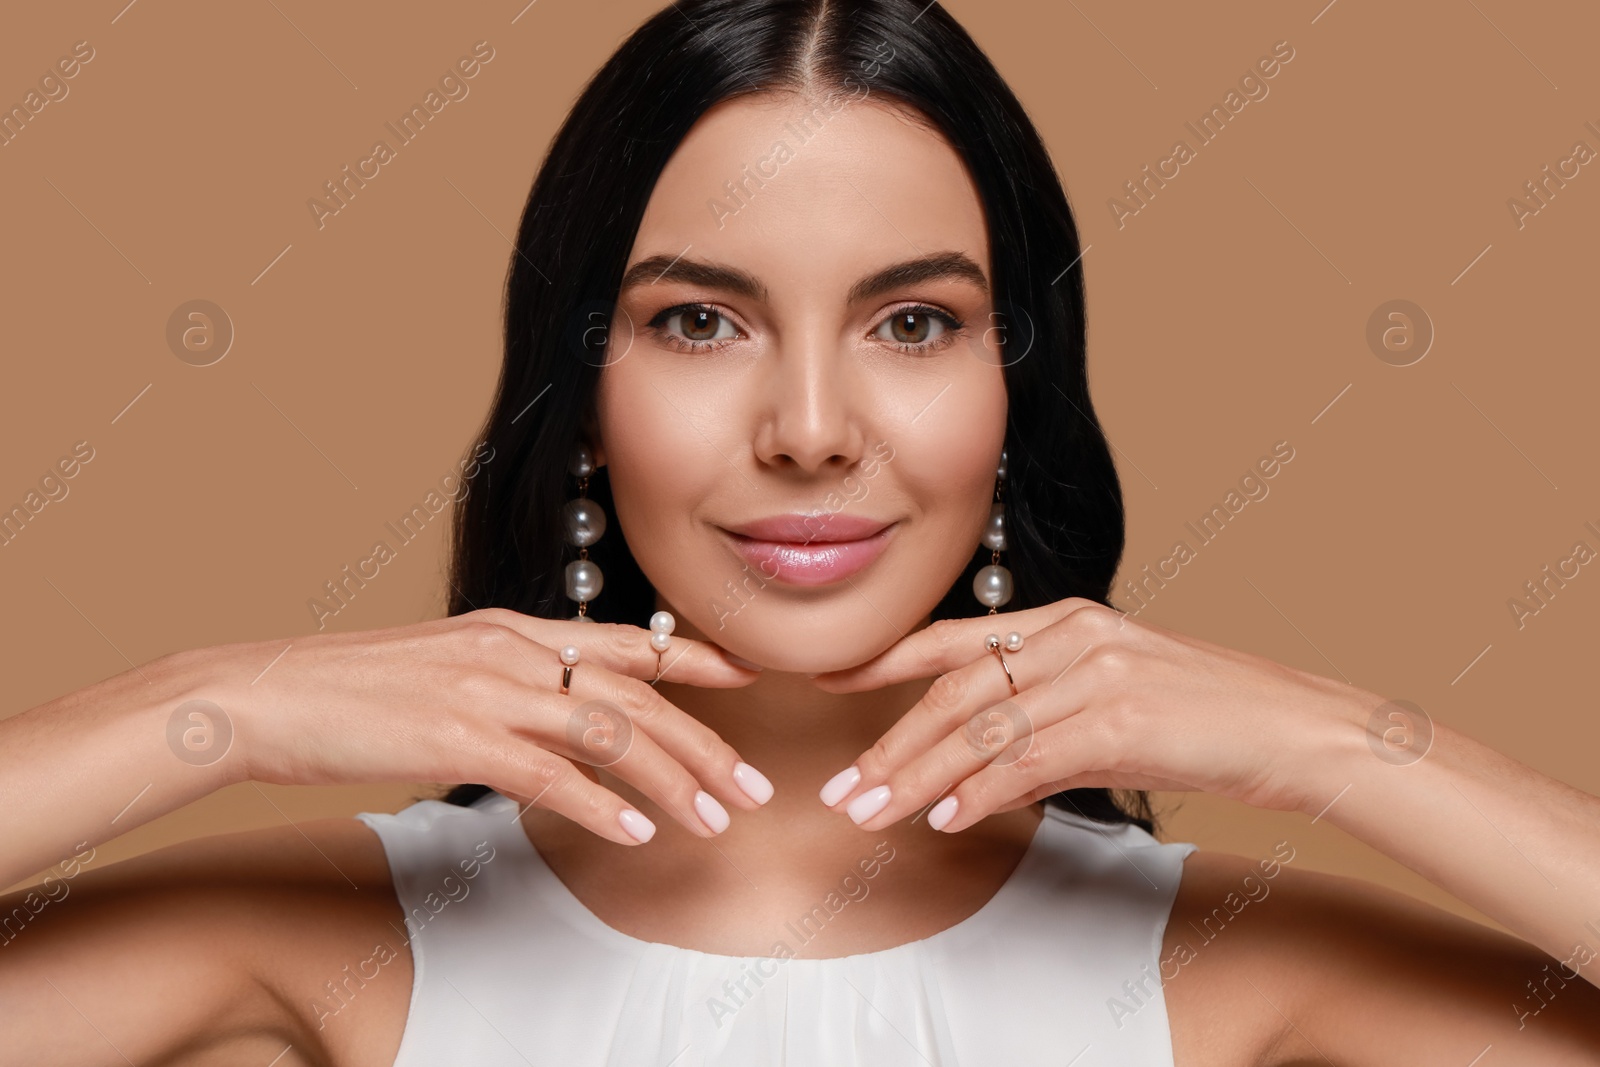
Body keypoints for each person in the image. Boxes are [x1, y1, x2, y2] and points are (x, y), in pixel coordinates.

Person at [4, 0, 1599, 1063]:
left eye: (913, 322)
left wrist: (1332, 743)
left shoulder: (1211, 962)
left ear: (1011, 398)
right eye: (703, 322)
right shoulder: (356, 936)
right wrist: (216, 710)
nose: (815, 427)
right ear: (583, 392)